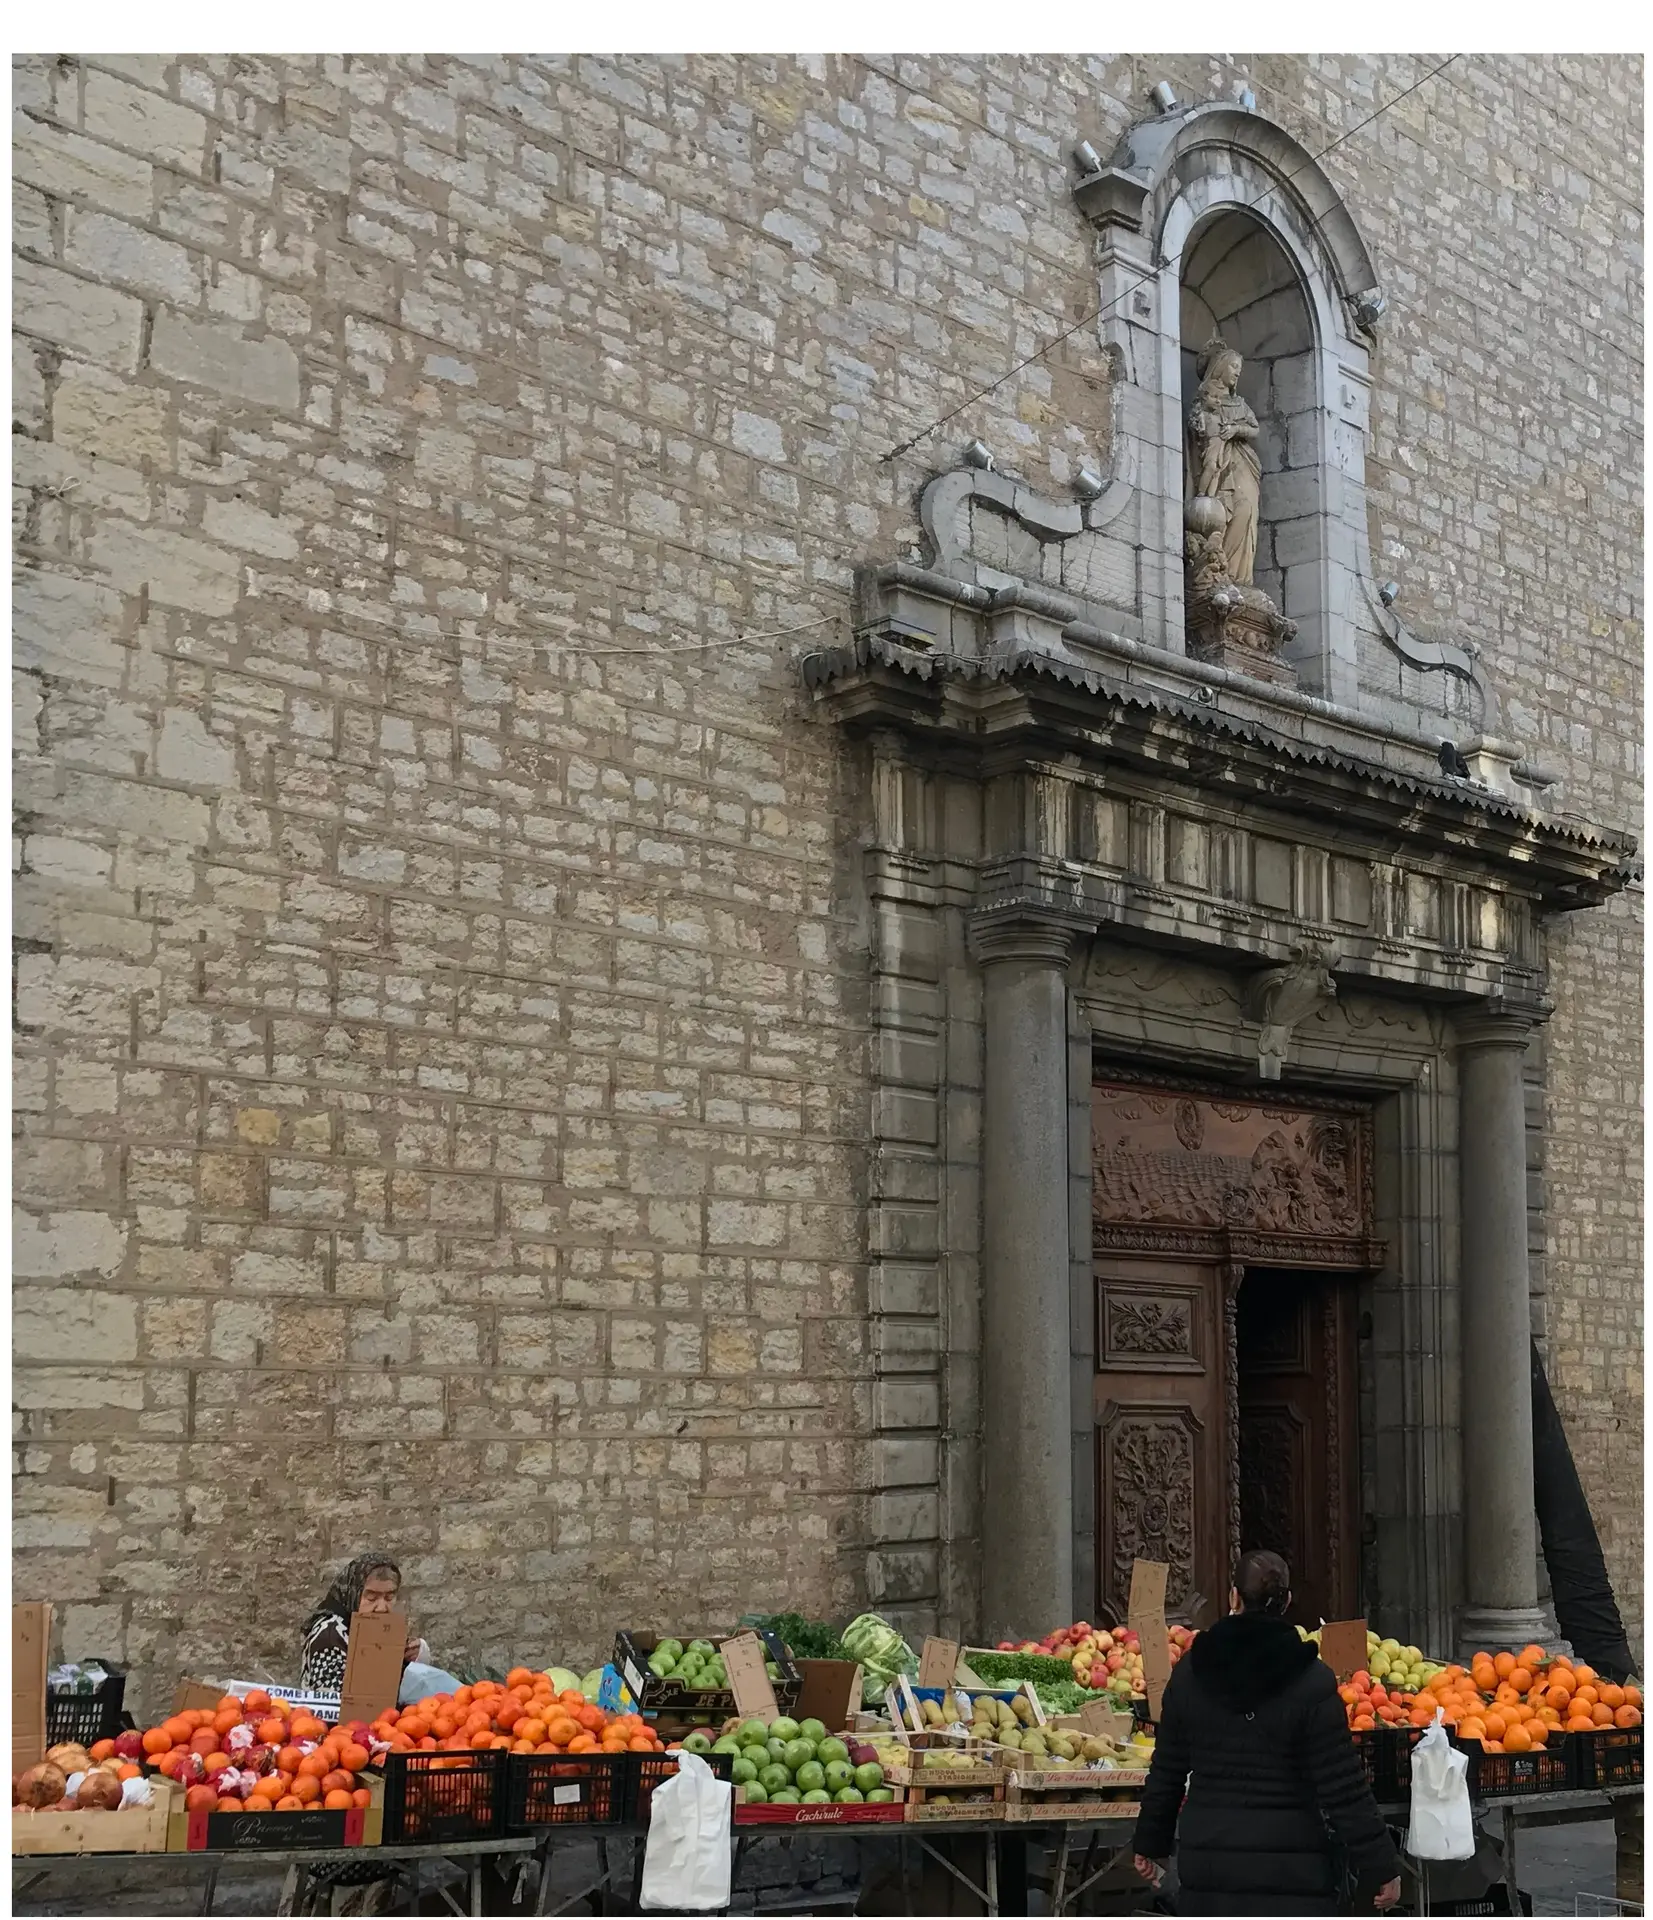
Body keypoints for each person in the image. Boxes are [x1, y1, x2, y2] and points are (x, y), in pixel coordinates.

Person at [1132, 1550, 1403, 1915]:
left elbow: (1167, 1770)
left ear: (1233, 1597)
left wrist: (1150, 1842)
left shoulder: (1191, 1674)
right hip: (1293, 1870)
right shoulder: (1313, 1681)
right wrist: (1381, 1865)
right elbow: (1343, 1785)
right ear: (1287, 1602)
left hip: (1210, 1867)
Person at [300, 1552, 428, 1695]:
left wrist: (415, 1655)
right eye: (371, 1598)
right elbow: (332, 1696)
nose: (381, 1608)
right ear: (353, 1593)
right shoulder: (329, 1634)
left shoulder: (381, 1626)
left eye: (389, 1597)